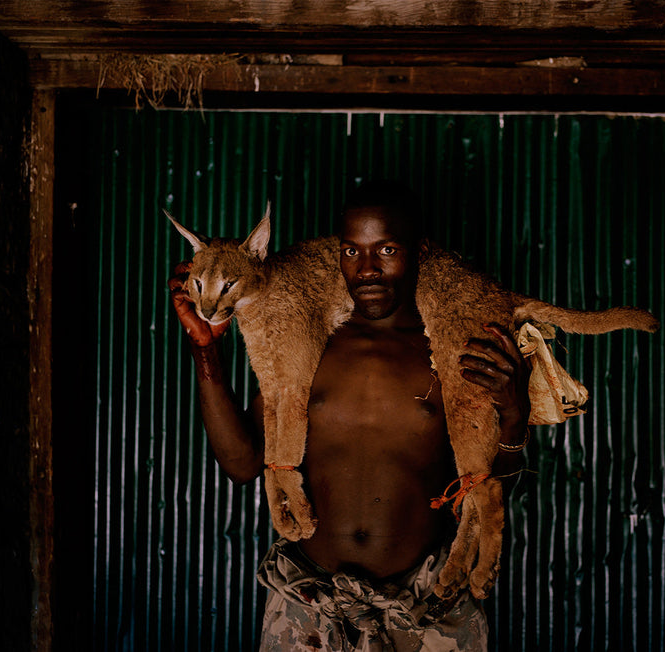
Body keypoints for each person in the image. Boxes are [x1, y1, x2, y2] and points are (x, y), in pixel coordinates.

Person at [168, 181, 531, 651]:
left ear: (419, 253)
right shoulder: (310, 341)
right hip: (308, 610)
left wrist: (515, 414)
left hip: (429, 610)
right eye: (350, 251)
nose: (367, 269)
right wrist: (205, 350)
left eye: (386, 249)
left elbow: (486, 483)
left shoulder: (453, 348)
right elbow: (241, 465)